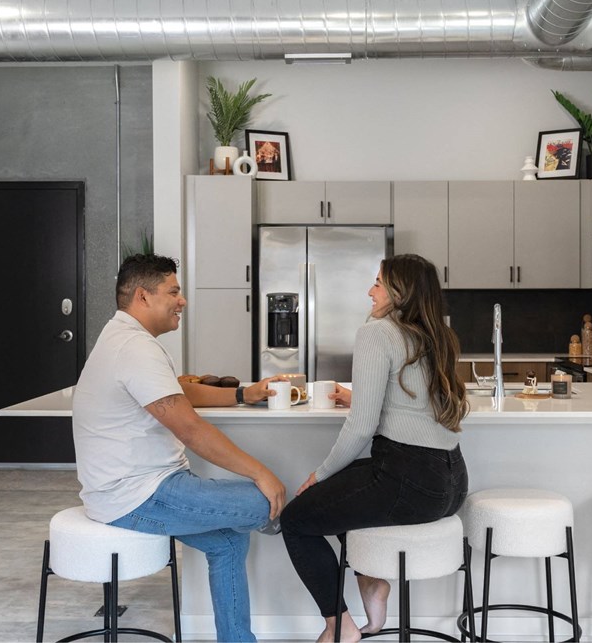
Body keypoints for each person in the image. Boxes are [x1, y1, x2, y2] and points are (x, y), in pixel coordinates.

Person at [72, 254, 286, 643]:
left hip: (135, 489)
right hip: (137, 496)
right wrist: (262, 474)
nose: (182, 300)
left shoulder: (125, 338)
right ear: (143, 296)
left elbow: (177, 391)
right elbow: (190, 429)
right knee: (264, 500)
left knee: (229, 540)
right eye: (173, 291)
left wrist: (241, 394)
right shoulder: (134, 348)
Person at [279, 253, 470, 643]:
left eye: (378, 283)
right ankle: (372, 583)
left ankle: (339, 627)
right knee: (345, 490)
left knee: (297, 519)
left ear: (401, 292)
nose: (370, 291)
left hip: (408, 483)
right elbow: (416, 404)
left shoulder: (378, 332)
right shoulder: (438, 335)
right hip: (451, 484)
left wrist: (322, 471)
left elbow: (361, 427)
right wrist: (365, 398)